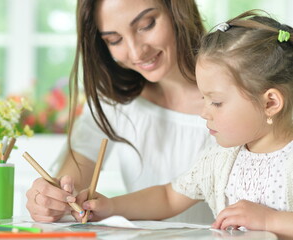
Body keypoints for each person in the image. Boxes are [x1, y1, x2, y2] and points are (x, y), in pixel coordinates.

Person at [71, 10, 293, 239]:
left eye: (216, 102)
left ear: (270, 102)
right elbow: (168, 196)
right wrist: (111, 207)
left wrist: (270, 220)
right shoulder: (219, 160)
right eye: (203, 99)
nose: (204, 112)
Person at [26, 0, 215, 223]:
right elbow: (74, 176)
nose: (137, 52)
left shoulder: (232, 98)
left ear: (178, 10)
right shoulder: (115, 99)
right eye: (114, 40)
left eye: (146, 25)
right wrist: (52, 199)